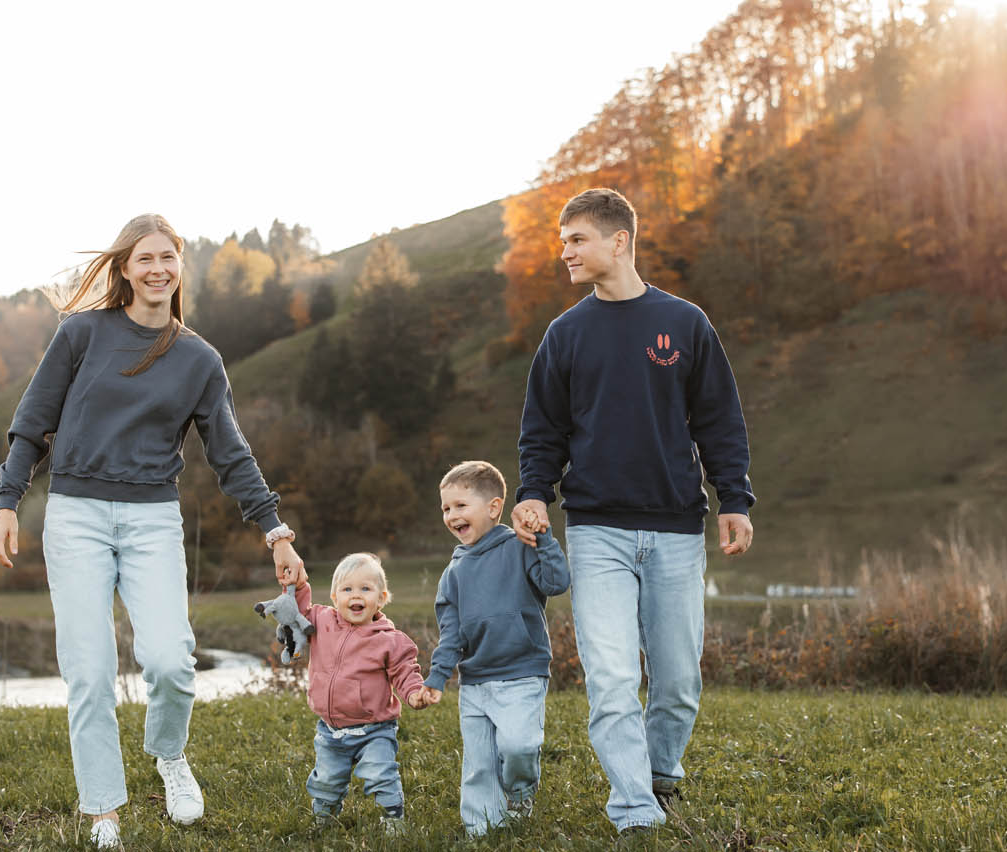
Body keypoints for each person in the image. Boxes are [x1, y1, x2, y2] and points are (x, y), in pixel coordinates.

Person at [0, 214, 305, 850]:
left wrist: (276, 530)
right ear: (125, 268)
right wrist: (7, 501)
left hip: (152, 518)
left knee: (168, 660)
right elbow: (33, 421)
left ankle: (169, 757)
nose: (158, 269)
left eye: (169, 257)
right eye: (145, 258)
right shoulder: (81, 334)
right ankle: (104, 810)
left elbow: (230, 453)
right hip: (75, 514)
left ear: (179, 267)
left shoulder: (198, 359)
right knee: (90, 668)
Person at [511, 187, 755, 835]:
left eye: (577, 239)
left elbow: (719, 420)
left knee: (677, 682)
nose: (565, 251)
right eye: (563, 240)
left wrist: (735, 498)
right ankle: (634, 809)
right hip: (596, 530)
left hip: (677, 527)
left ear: (619, 241)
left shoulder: (686, 323)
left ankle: (660, 772)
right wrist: (534, 491)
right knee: (614, 678)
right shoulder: (565, 335)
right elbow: (543, 430)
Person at [419, 461, 570, 836]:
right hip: (475, 681)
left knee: (518, 747)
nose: (451, 515)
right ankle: (481, 829)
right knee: (480, 763)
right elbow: (451, 634)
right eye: (445, 509)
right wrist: (437, 678)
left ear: (492, 507)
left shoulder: (520, 547)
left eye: (459, 505)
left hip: (523, 673)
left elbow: (556, 582)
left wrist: (545, 539)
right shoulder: (453, 573)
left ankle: (519, 793)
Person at [293, 552, 431, 830]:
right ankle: (324, 817)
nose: (356, 595)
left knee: (381, 774)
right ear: (334, 597)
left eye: (365, 589)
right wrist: (296, 583)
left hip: (375, 729)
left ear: (381, 598)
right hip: (331, 730)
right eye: (347, 589)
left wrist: (415, 693)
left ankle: (393, 819)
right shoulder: (321, 622)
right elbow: (297, 607)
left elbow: (405, 672)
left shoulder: (389, 641)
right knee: (326, 780)